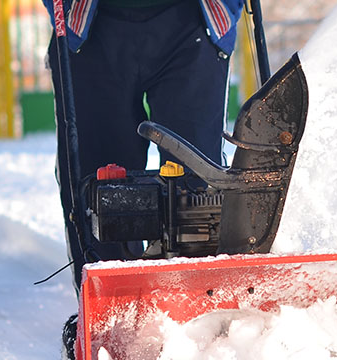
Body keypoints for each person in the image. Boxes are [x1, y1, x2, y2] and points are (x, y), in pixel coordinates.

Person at [42, 0, 244, 291]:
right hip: (88, 25)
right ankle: (110, 304)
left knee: (196, 188)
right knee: (99, 188)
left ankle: (194, 301)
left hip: (196, 20)